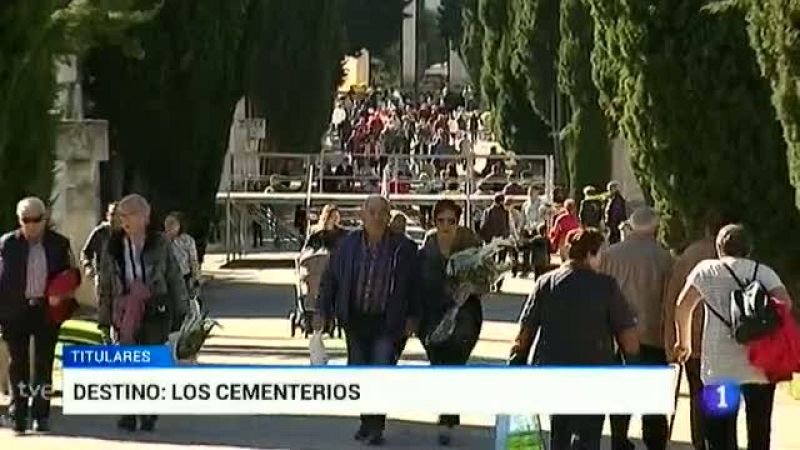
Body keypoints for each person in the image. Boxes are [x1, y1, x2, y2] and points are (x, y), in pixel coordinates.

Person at [511, 228, 640, 450]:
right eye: (600, 254)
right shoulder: (606, 286)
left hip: (554, 369)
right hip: (595, 371)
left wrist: (517, 360)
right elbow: (627, 334)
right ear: (591, 254)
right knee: (588, 434)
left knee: (559, 430)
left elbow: (525, 331)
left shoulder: (545, 283)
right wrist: (634, 364)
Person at [674, 224, 791, 450]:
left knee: (719, 433)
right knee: (759, 429)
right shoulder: (763, 272)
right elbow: (785, 303)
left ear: (719, 247)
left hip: (719, 368)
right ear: (749, 249)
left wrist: (684, 342)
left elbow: (683, 306)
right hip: (759, 365)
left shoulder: (706, 270)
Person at [315, 195, 420, 446]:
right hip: (356, 319)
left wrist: (413, 317)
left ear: (388, 216)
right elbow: (331, 279)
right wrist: (322, 310)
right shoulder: (347, 245)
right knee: (359, 371)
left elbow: (414, 286)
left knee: (381, 368)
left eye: (382, 212)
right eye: (371, 212)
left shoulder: (403, 248)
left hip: (387, 321)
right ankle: (366, 421)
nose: (376, 217)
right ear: (362, 215)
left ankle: (376, 426)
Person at [97, 194, 188, 433]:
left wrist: (181, 310)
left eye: (129, 215)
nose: (124, 221)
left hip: (155, 309)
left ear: (144, 218)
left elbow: (174, 277)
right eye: (121, 216)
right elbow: (106, 284)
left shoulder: (160, 243)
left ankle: (149, 410)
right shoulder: (114, 245)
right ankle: (128, 412)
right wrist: (104, 319)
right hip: (125, 311)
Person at [0, 197, 78, 434]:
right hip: (16, 311)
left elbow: (73, 273)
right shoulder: (7, 244)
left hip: (47, 310)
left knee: (43, 364)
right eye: (26, 220)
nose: (31, 225)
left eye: (36, 220)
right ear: (19, 220)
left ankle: (40, 414)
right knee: (18, 364)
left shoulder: (59, 244)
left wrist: (62, 292)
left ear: (45, 219)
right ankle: (19, 413)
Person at [599, 207, 674, 450]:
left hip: (617, 335)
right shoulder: (665, 258)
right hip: (653, 334)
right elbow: (670, 300)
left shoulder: (610, 255)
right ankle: (654, 442)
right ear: (656, 228)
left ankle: (619, 439)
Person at [418, 200, 483, 446]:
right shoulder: (428, 245)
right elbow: (419, 279)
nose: (446, 226)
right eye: (441, 221)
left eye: (451, 221)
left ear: (458, 221)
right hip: (432, 314)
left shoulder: (470, 244)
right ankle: (447, 411)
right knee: (438, 363)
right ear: (434, 222)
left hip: (465, 314)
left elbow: (487, 281)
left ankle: (447, 416)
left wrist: (472, 287)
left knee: (455, 362)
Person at [662, 211, 727, 450]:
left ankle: (700, 442)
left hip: (693, 341)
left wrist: (674, 342)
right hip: (725, 344)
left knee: (698, 397)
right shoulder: (737, 259)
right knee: (721, 396)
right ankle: (720, 441)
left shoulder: (689, 256)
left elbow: (673, 301)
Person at [164, 212, 201, 299]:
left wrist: (196, 279)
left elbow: (193, 261)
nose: (169, 227)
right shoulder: (162, 241)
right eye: (167, 223)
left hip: (184, 277)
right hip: (167, 279)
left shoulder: (187, 240)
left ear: (179, 225)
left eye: (172, 224)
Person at [80, 202, 118, 286]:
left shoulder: (127, 233)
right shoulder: (100, 232)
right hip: (103, 280)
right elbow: (86, 252)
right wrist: (88, 267)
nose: (114, 218)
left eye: (118, 215)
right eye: (112, 214)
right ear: (108, 215)